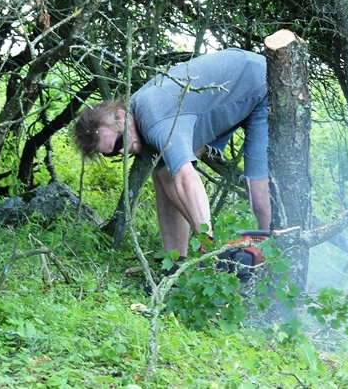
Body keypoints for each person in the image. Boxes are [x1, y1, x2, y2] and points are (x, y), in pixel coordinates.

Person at [72, 48, 271, 258]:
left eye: (120, 141)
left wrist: (206, 240)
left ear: (122, 116)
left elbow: (186, 178)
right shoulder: (138, 127)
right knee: (164, 174)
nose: (121, 152)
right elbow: (168, 182)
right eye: (111, 153)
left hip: (260, 85)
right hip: (229, 96)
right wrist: (199, 242)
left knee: (259, 195)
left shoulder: (154, 120)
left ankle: (273, 258)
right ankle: (175, 265)